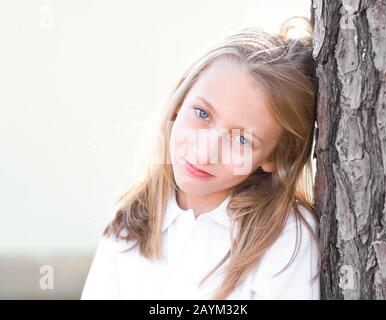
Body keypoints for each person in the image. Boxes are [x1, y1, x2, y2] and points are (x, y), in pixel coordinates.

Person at [81, 16, 322, 300]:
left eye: (242, 139)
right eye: (203, 114)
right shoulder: (129, 225)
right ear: (179, 103)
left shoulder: (285, 237)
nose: (206, 151)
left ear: (276, 157)